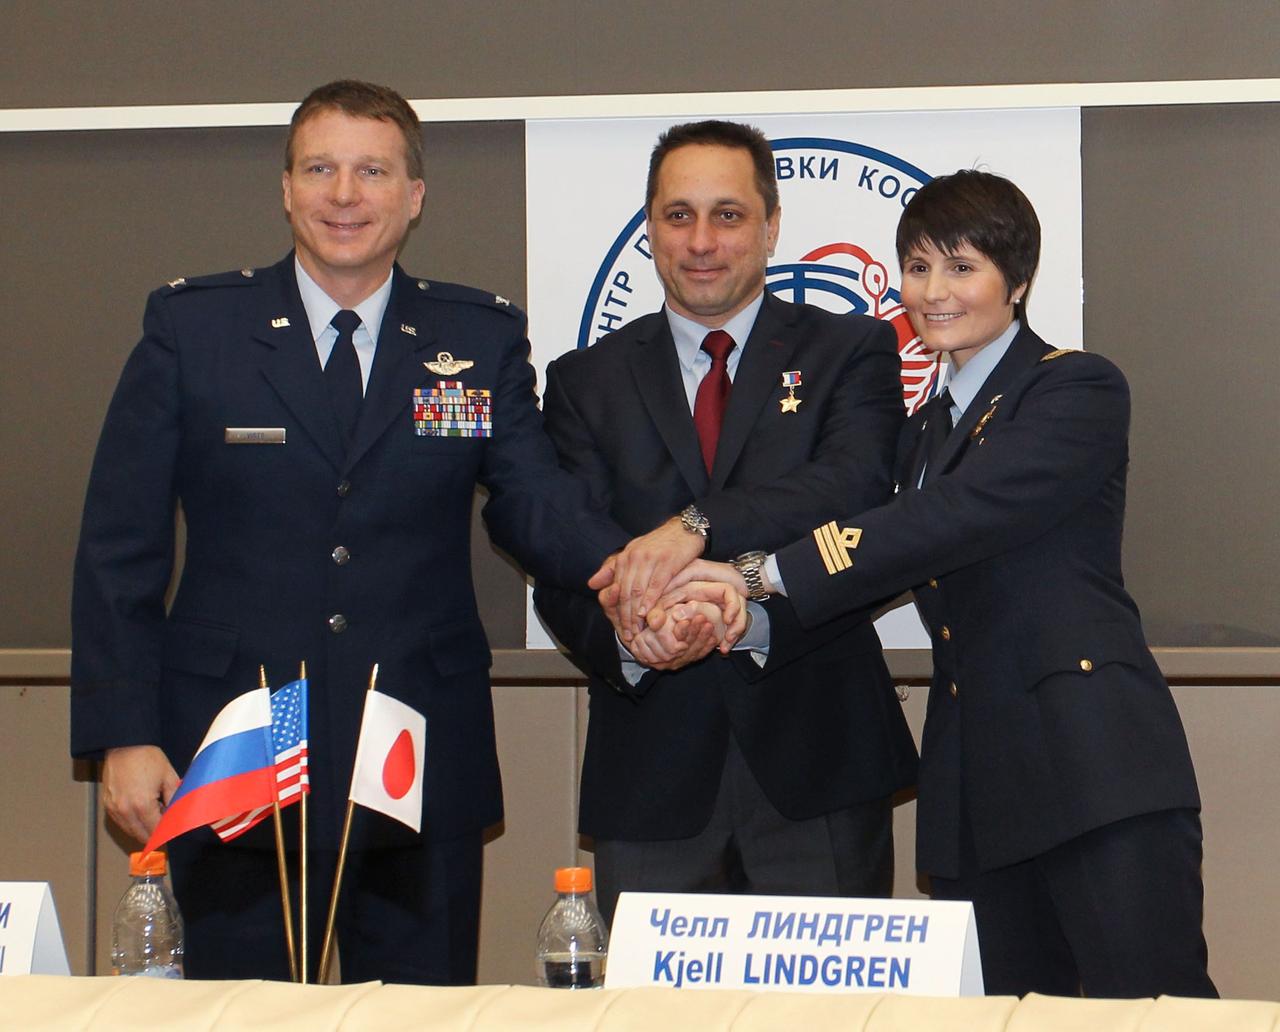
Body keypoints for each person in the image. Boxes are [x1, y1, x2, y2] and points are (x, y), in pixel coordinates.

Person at [70, 79, 624, 984]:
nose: (344, 195)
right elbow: (118, 544)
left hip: (411, 739)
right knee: (229, 1013)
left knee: (417, 1010)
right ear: (286, 188)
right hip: (234, 743)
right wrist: (123, 733)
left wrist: (632, 564)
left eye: (372, 171)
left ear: (413, 197)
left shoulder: (475, 339)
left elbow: (532, 503)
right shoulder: (194, 328)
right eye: (320, 169)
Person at [648, 170, 1216, 998]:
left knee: (1149, 1013)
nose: (934, 292)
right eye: (917, 268)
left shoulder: (1071, 388)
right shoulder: (923, 431)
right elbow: (871, 568)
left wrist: (750, 571)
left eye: (962, 267)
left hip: (1090, 769)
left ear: (1017, 282)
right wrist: (744, 615)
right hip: (975, 789)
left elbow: (947, 519)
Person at [533, 120, 918, 925]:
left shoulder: (854, 348)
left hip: (820, 764)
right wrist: (632, 638)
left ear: (772, 224)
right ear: (649, 228)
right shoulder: (582, 381)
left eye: (728, 215)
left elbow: (850, 492)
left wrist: (695, 527)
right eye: (678, 216)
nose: (701, 241)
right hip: (649, 774)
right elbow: (562, 557)